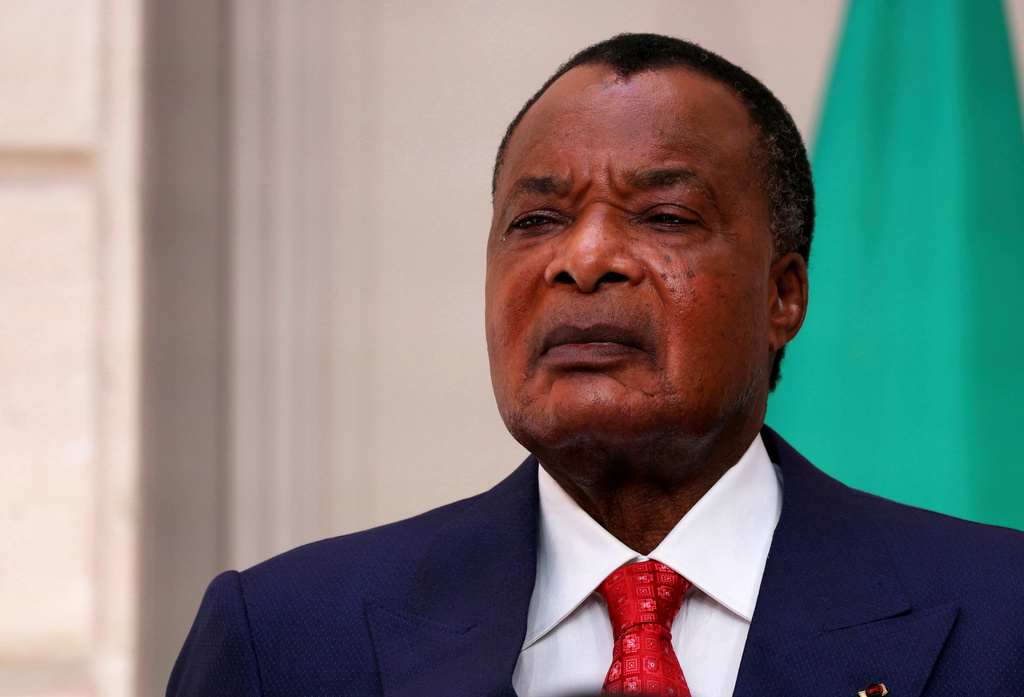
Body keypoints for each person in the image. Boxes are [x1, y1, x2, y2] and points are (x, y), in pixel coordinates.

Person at [167, 34, 1024, 697]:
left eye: (665, 215)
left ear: (783, 294)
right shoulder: (286, 641)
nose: (583, 259)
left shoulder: (1002, 620)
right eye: (536, 221)